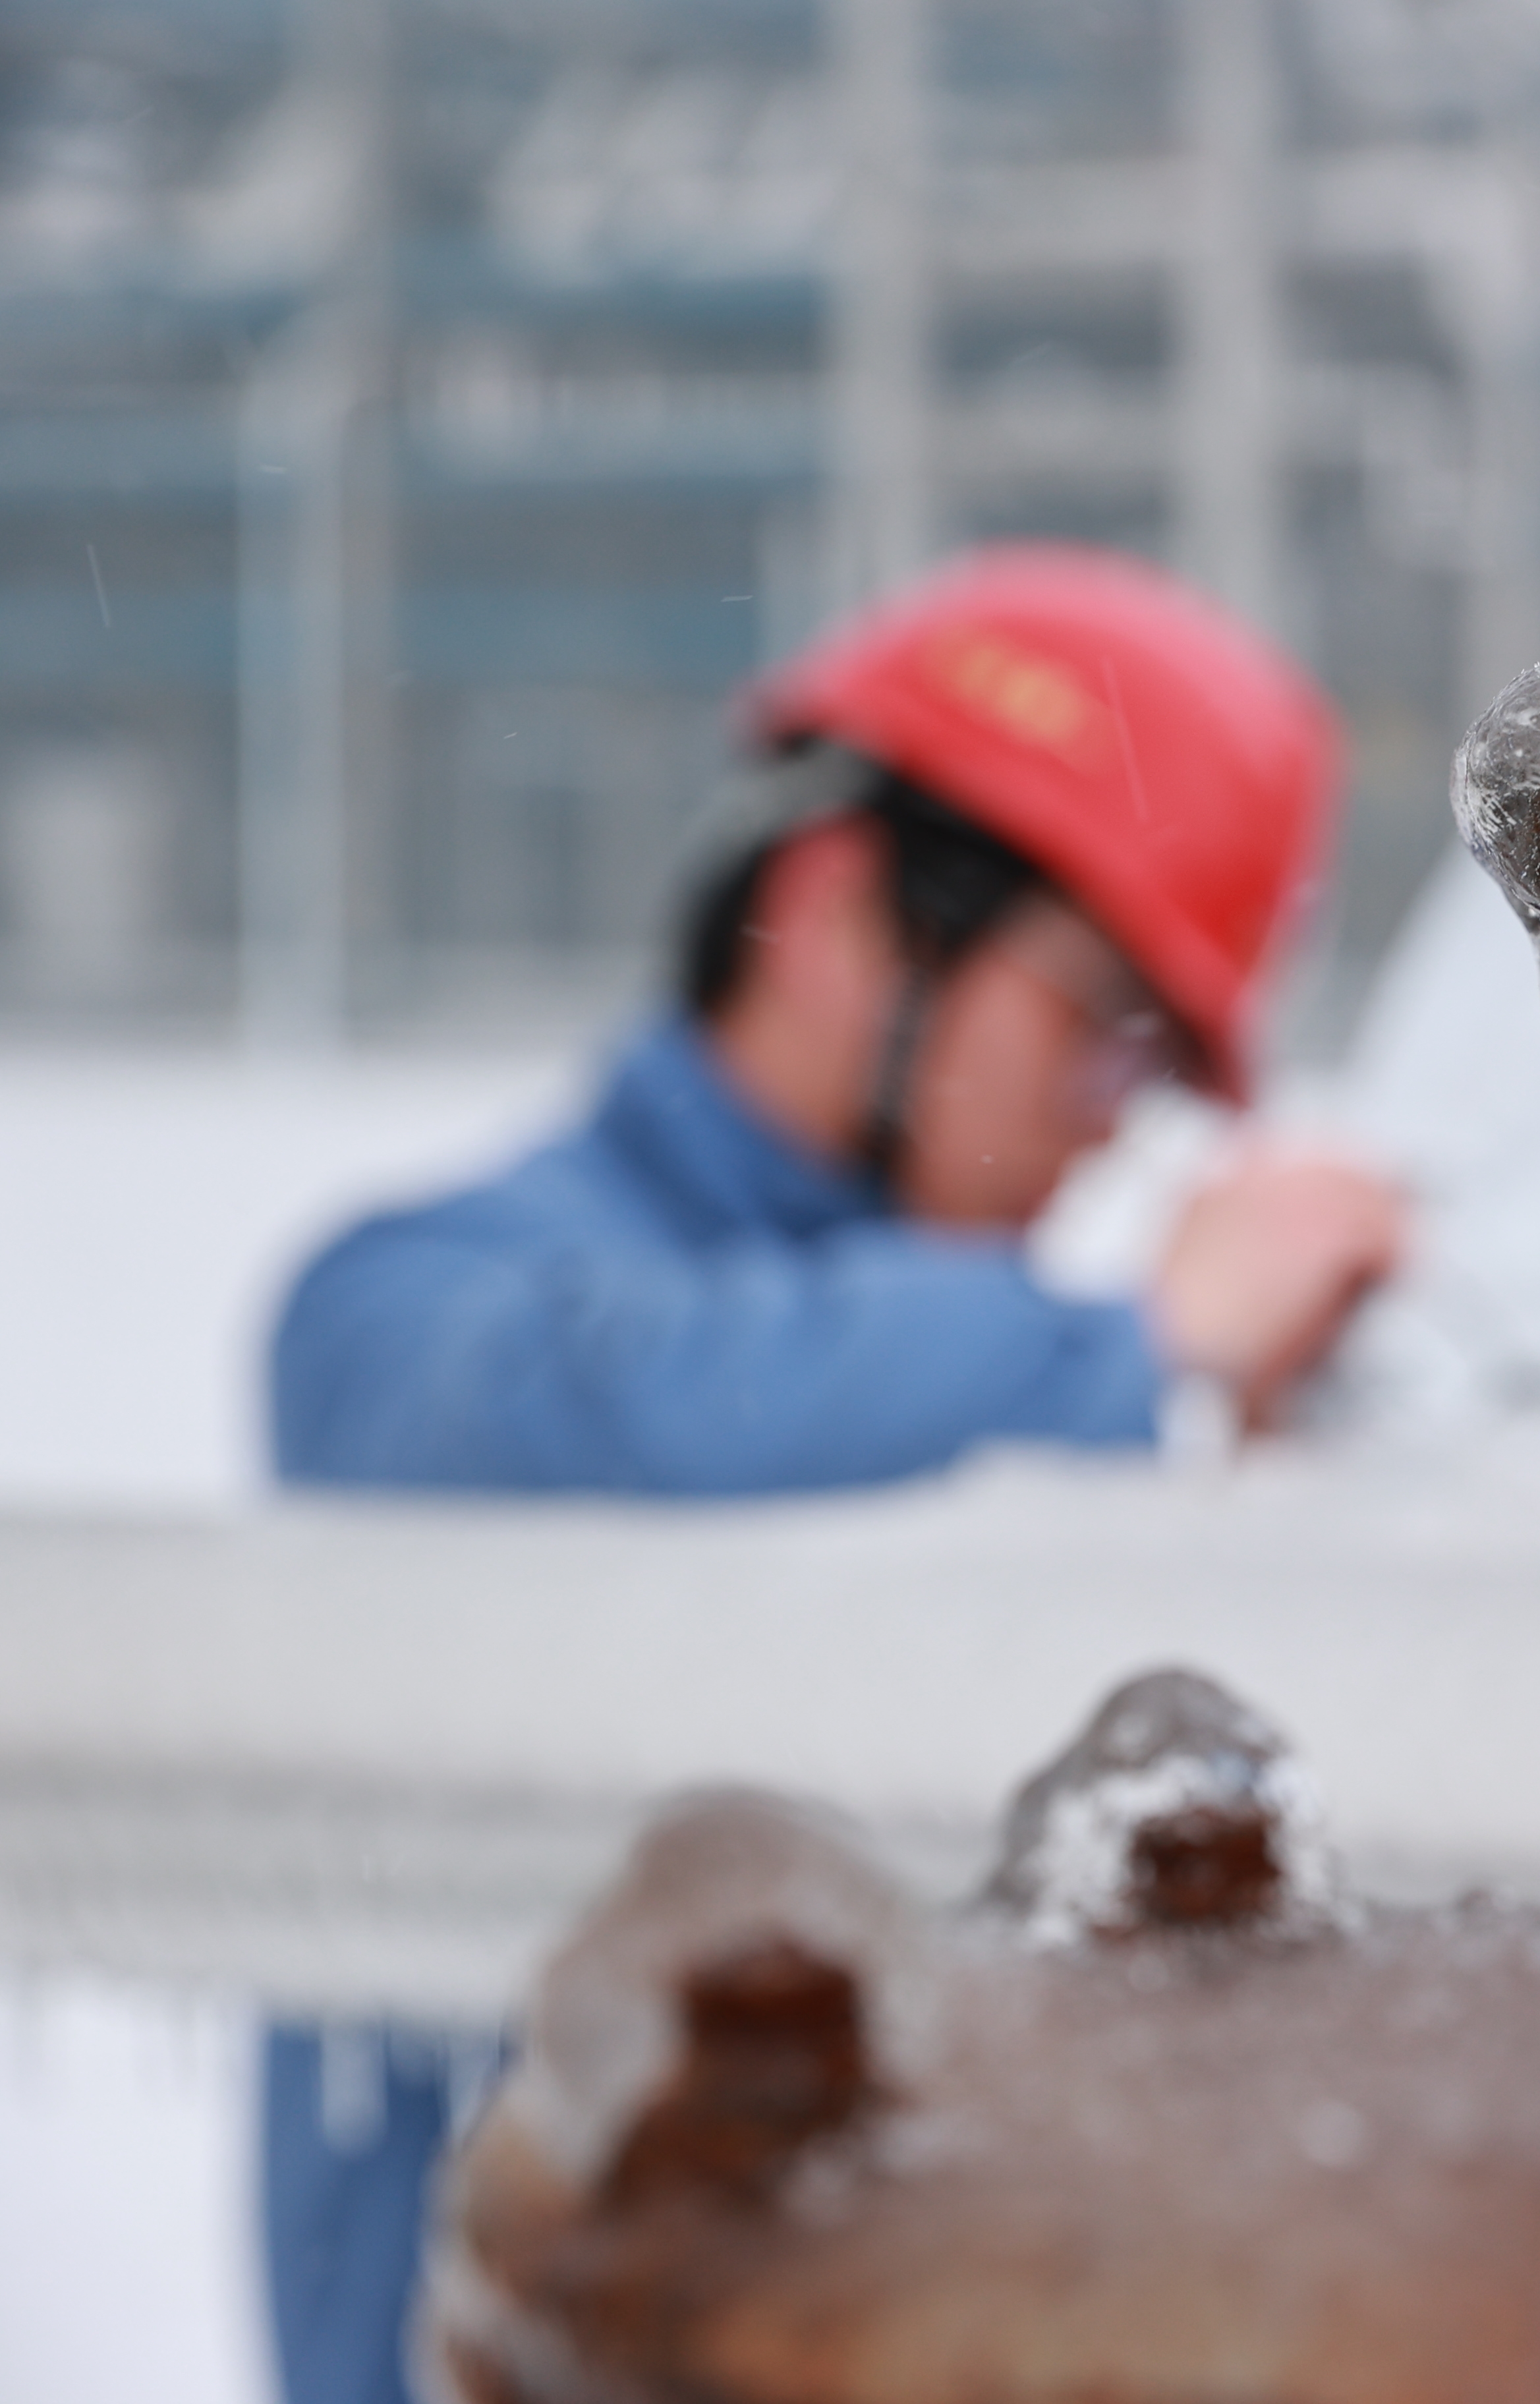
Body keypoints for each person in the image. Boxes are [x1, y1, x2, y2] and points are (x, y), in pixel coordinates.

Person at [257, 546, 1408, 2404]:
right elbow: (502, 1410)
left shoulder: (973, 1384)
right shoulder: (419, 1298)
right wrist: (1138, 1347)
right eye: (1098, 1025)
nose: (1101, 1127)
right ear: (846, 910)